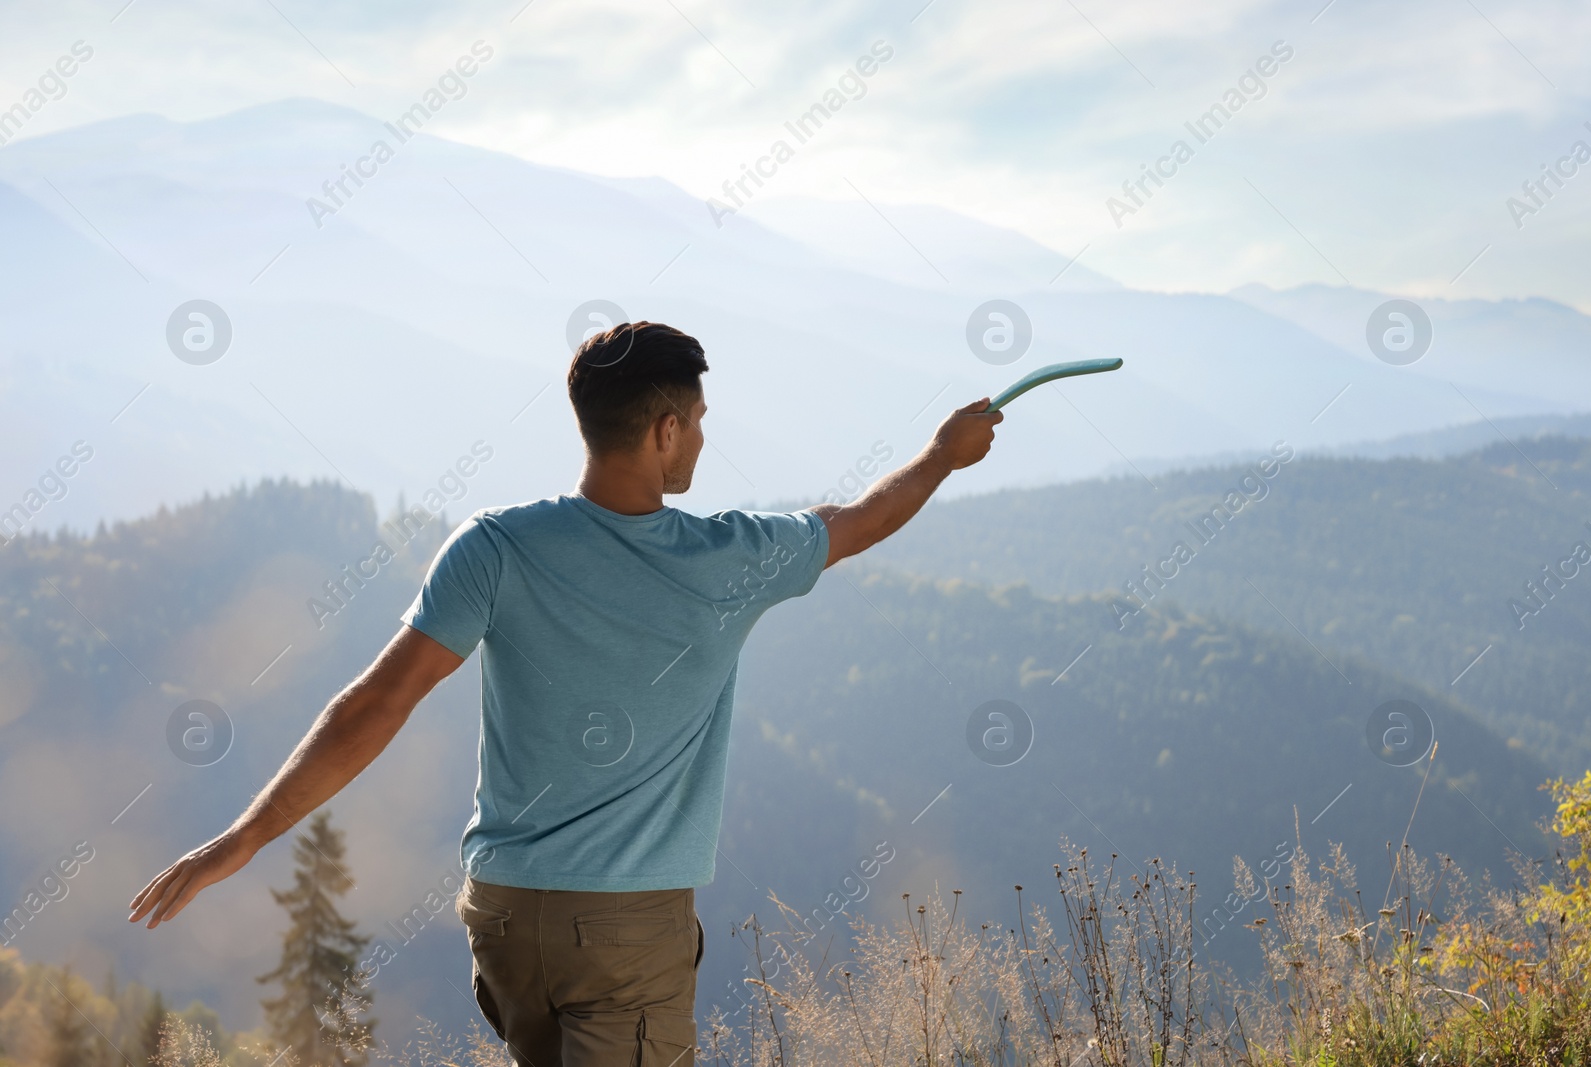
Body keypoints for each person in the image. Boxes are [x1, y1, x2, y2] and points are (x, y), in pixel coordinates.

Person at [129, 321, 1003, 1066]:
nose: (701, 437)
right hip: (625, 931)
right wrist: (942, 456)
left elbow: (374, 704)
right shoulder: (731, 560)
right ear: (663, 430)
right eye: (696, 420)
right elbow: (861, 520)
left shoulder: (492, 547)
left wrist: (244, 837)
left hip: (504, 918)